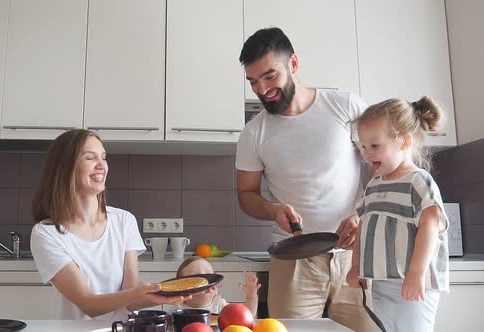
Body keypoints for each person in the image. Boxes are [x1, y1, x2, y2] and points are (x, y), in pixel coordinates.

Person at [235, 27, 374, 331]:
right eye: (253, 81)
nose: (262, 89)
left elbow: (387, 169)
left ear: (293, 64)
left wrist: (362, 213)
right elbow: (246, 194)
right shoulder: (253, 133)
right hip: (292, 257)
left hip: (354, 253)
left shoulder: (345, 107)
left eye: (270, 76)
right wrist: (272, 209)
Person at [30, 129, 187, 321]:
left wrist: (171, 292)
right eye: (90, 158)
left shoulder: (123, 221)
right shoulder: (47, 234)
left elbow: (130, 300)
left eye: (103, 158)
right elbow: (89, 304)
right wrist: (145, 290)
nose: (101, 166)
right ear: (65, 167)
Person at [346, 96, 449, 331]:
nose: (366, 153)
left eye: (374, 146)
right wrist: (356, 267)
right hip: (382, 282)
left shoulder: (418, 181)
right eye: (363, 147)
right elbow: (363, 226)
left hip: (414, 280)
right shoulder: (374, 185)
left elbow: (430, 226)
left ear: (403, 142)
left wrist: (416, 273)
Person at [169, 256, 261, 317]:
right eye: (197, 279)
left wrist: (251, 296)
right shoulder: (176, 309)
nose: (207, 281)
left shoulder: (221, 306)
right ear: (181, 290)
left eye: (210, 276)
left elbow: (247, 317)